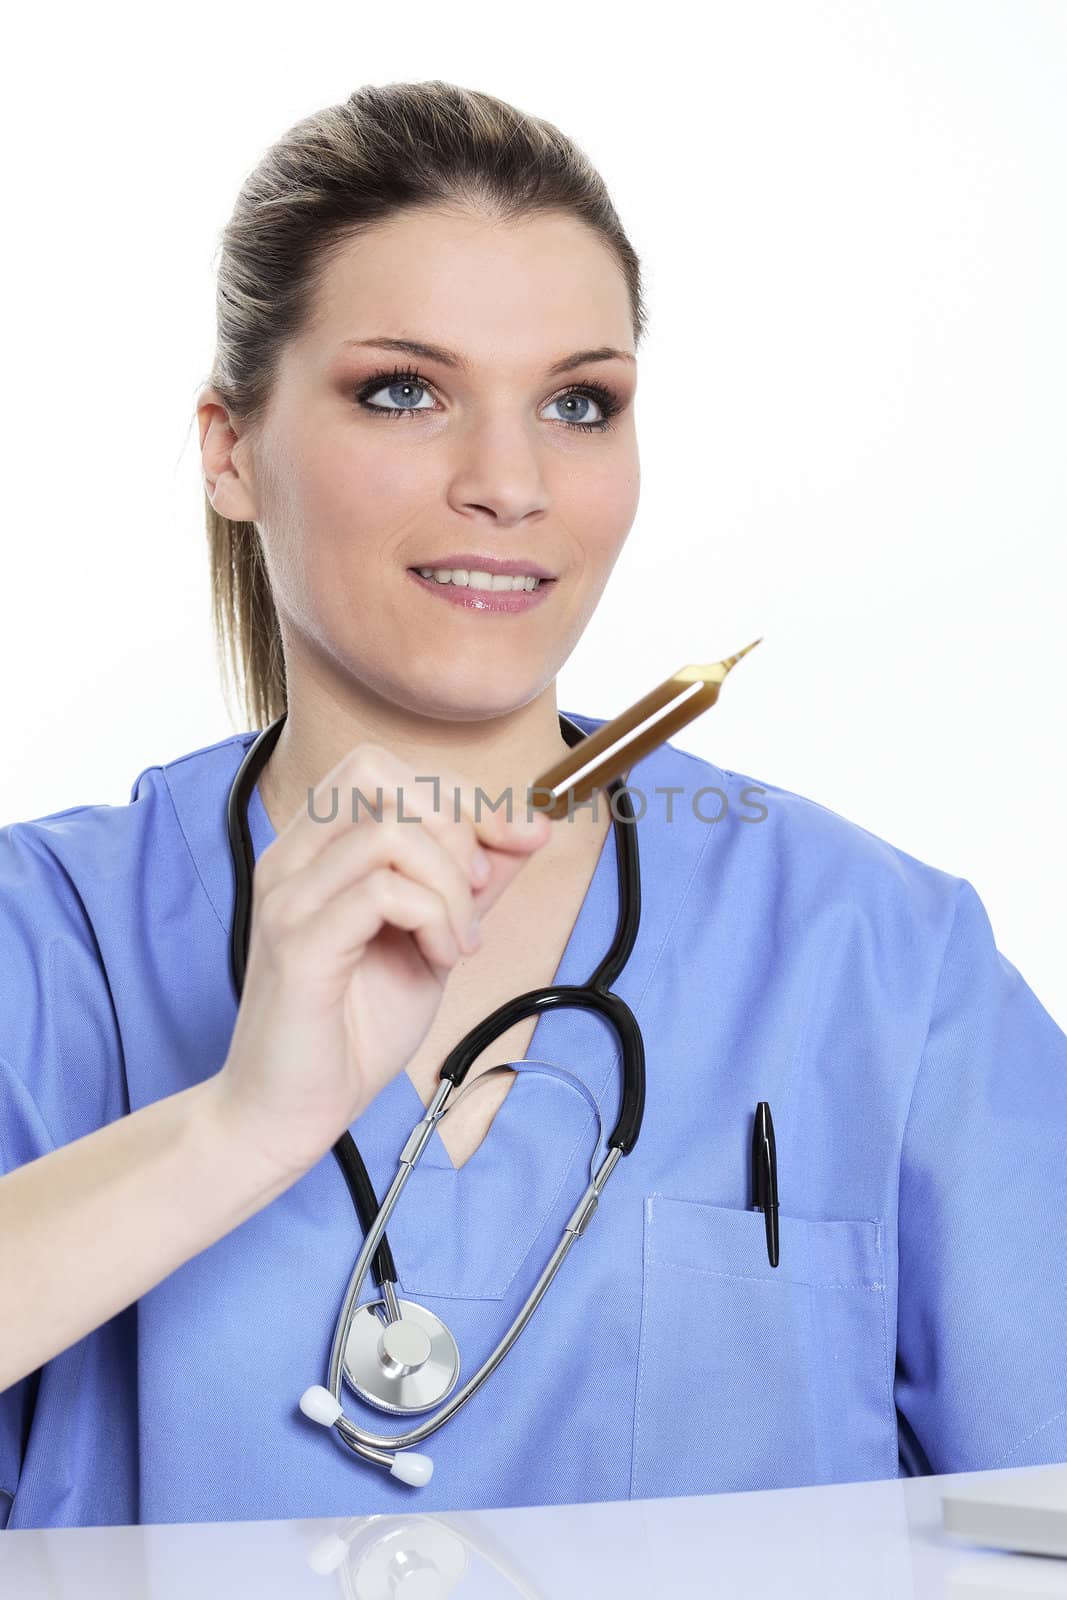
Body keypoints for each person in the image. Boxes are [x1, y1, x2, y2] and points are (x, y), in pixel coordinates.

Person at [1, 79, 1064, 1533]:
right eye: (404, 391)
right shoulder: (45, 950)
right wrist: (242, 1129)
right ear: (229, 450)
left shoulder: (881, 959)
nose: (509, 483)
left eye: (580, 403)